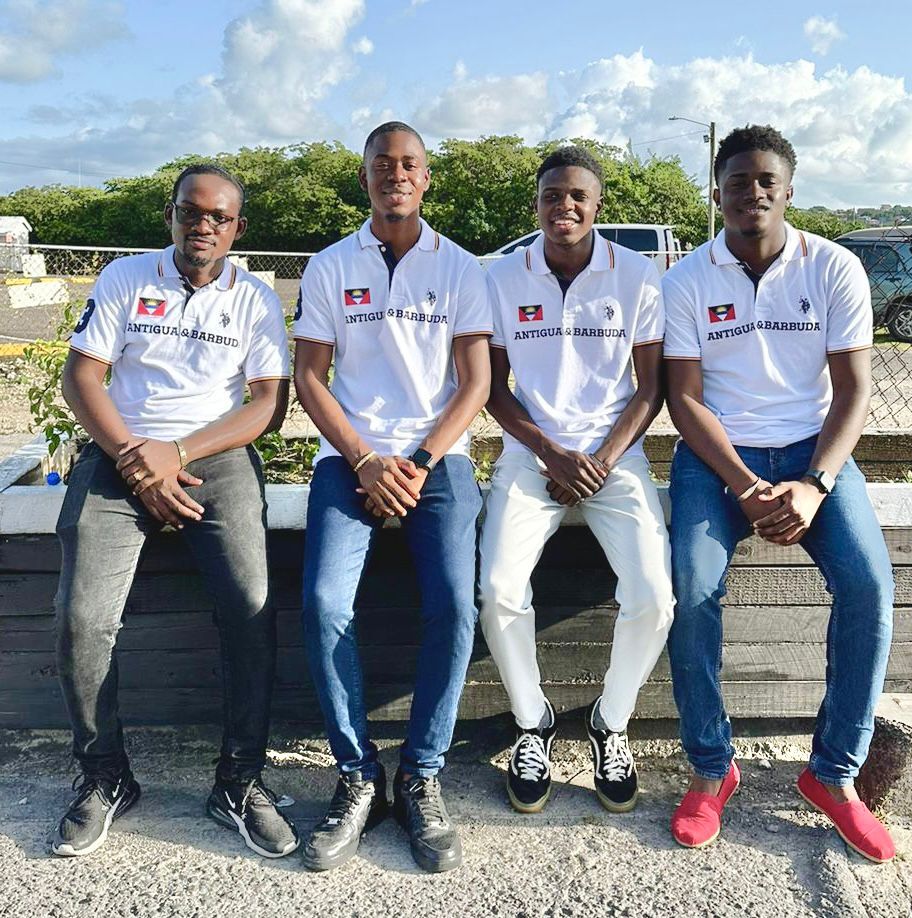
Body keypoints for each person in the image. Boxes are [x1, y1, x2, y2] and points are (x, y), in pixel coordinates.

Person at [51, 164, 299, 860]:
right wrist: (137, 456)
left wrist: (179, 451)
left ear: (238, 228)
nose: (203, 226)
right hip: (119, 454)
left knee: (252, 609)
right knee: (82, 618)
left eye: (219, 217)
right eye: (191, 212)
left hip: (215, 457)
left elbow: (268, 406)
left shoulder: (254, 298)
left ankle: (239, 782)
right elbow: (81, 376)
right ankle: (105, 777)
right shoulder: (127, 277)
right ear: (171, 215)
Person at [663, 125, 895, 862]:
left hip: (813, 453)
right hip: (717, 459)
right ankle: (711, 767)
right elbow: (684, 399)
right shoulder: (687, 278)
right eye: (738, 181)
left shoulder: (833, 267)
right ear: (718, 193)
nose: (752, 192)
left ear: (789, 190)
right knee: (691, 587)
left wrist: (815, 484)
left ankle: (833, 775)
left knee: (870, 588)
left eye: (767, 180)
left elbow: (854, 390)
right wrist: (746, 485)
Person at [293, 121, 492, 873]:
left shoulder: (461, 267)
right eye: (383, 164)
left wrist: (418, 461)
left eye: (409, 164)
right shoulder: (329, 265)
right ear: (366, 177)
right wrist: (366, 459)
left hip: (436, 462)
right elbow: (310, 377)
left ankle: (420, 775)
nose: (396, 175)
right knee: (324, 603)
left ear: (426, 177)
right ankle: (357, 775)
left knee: (457, 606)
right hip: (349, 459)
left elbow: (476, 382)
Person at [478, 146, 675, 815]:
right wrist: (550, 452)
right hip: (530, 457)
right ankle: (532, 723)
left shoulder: (638, 275)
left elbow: (651, 388)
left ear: (597, 205)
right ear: (536, 204)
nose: (564, 206)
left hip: (615, 458)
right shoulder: (503, 277)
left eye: (577, 196)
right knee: (498, 590)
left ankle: (609, 723)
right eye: (551, 195)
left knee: (655, 597)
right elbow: (492, 388)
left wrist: (600, 461)